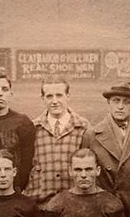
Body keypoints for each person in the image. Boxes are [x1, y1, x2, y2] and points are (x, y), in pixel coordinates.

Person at [82, 81, 130, 216]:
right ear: (109, 103)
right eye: (116, 101)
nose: (120, 106)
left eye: (126, 102)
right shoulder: (92, 135)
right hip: (105, 207)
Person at [22, 76, 90, 208]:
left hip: (73, 204)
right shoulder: (33, 128)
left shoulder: (83, 126)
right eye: (49, 96)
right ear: (42, 98)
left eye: (59, 95)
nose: (54, 101)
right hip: (39, 205)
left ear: (68, 96)